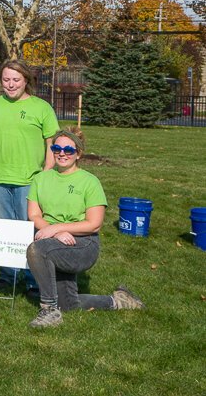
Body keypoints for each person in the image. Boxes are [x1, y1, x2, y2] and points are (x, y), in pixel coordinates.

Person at [26, 129, 144, 328]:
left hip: (83, 243)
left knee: (37, 249)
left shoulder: (90, 181)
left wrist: (58, 229)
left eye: (68, 150)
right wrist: (56, 231)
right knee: (68, 304)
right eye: (57, 148)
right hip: (54, 239)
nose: (62, 153)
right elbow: (34, 215)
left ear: (78, 153)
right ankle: (119, 300)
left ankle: (49, 310)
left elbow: (94, 223)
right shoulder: (40, 179)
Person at [0, 59, 59, 292]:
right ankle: (7, 276)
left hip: (30, 180)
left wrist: (47, 171)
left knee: (30, 229)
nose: (11, 85)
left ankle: (33, 278)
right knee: (4, 230)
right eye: (6, 80)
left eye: (16, 80)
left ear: (26, 81)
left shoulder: (41, 107)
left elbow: (51, 141)